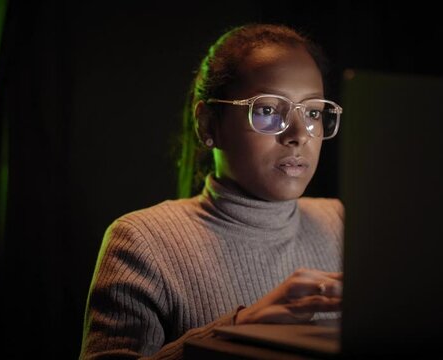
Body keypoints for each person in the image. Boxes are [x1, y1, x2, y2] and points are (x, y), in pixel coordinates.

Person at [79, 23, 344, 359]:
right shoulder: (142, 242)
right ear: (208, 125)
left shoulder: (339, 223)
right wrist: (238, 330)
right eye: (267, 110)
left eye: (312, 112)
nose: (298, 134)